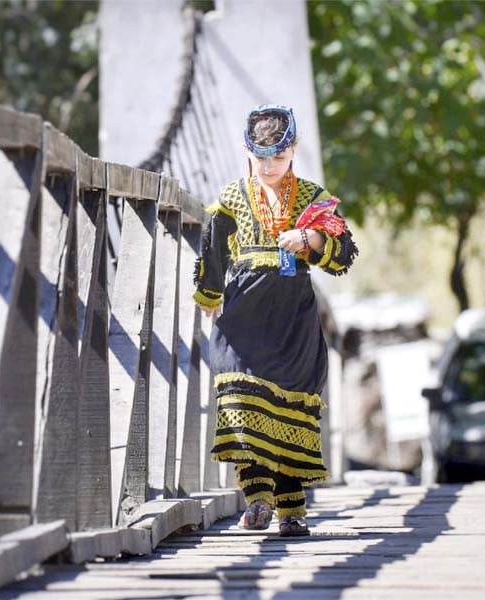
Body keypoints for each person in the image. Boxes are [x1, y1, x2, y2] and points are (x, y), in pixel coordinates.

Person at [193, 104, 357, 536]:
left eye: (278, 159)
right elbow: (210, 246)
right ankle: (258, 499)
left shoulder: (313, 198)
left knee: (290, 408)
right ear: (248, 152)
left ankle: (292, 510)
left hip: (291, 317)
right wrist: (208, 293)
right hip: (242, 316)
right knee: (239, 399)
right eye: (260, 158)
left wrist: (309, 238)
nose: (268, 168)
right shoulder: (230, 198)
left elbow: (343, 256)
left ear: (294, 151)